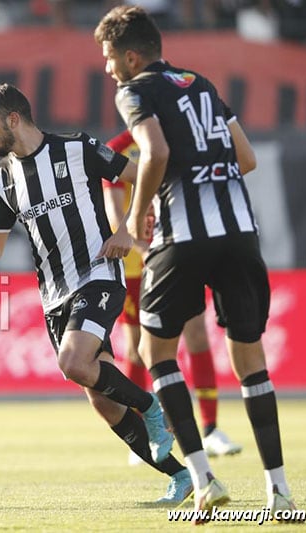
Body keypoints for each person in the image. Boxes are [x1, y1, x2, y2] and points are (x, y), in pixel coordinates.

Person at [94, 6, 298, 519]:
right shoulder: (201, 85)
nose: (108, 69)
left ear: (131, 56)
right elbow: (246, 158)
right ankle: (279, 489)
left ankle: (204, 480)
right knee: (250, 361)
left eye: (109, 57)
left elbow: (156, 151)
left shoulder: (134, 91)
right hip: (240, 233)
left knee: (154, 350)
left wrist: (135, 217)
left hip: (182, 235)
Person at [0, 83, 192, 504]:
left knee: (73, 362)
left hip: (97, 275)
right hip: (54, 296)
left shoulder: (77, 148)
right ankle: (182, 476)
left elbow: (144, 176)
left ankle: (151, 407)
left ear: (13, 119)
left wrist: (127, 230)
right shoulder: (1, 179)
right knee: (103, 401)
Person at [101, 129, 243, 462]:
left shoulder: (182, 140)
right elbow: (115, 213)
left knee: (197, 335)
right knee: (138, 350)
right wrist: (144, 249)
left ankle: (211, 429)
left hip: (179, 254)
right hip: (135, 265)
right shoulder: (118, 149)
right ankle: (145, 433)